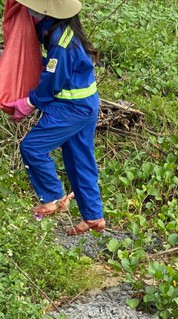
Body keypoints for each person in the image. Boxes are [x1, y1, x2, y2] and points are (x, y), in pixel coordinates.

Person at [4, 0, 105, 236]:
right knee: (80, 160)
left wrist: (26, 103)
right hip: (86, 102)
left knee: (32, 147)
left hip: (72, 107)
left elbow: (52, 83)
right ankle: (94, 216)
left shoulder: (62, 44)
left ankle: (53, 196)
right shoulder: (58, 27)